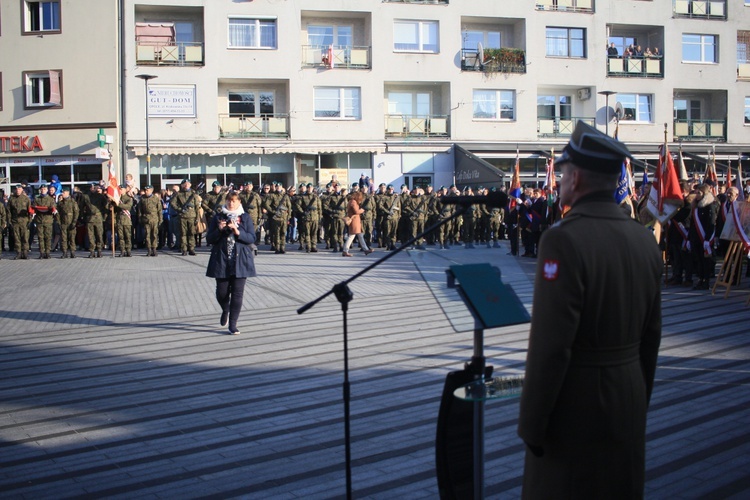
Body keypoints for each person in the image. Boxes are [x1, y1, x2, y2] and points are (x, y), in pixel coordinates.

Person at [517, 121, 662, 498]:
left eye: (563, 171)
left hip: (577, 406)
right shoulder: (645, 239)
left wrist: (531, 425)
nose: (560, 178)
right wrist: (637, 396)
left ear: (576, 178)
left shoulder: (563, 239)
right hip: (627, 393)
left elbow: (550, 345)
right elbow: (652, 336)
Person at [205, 191, 256, 335]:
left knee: (237, 294)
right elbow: (209, 239)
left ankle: (233, 324)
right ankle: (225, 309)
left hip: (241, 260)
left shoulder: (245, 218)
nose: (231, 203)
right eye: (229, 200)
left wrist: (237, 231)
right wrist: (220, 230)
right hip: (222, 259)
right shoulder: (218, 217)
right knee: (221, 293)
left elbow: (251, 238)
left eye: (234, 201)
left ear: (239, 202)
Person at [342, 191, 374, 257]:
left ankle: (365, 249)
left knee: (360, 235)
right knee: (351, 236)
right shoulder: (353, 202)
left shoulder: (352, 201)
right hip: (354, 221)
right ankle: (345, 250)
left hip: (356, 221)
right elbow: (356, 211)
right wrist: (363, 209)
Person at [57, 187, 79, 258]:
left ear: (68, 193)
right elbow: (58, 214)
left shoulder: (73, 202)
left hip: (71, 222)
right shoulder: (60, 203)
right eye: (62, 192)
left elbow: (76, 213)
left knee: (72, 238)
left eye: (64, 192)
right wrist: (59, 222)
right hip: (63, 223)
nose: (62, 194)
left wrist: (74, 222)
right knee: (63, 239)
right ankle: (64, 252)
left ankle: (72, 252)